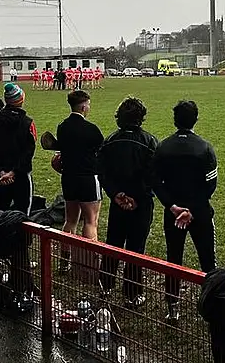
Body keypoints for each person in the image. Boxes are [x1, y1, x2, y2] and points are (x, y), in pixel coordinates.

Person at [152, 100, 218, 321]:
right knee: (207, 259)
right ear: (196, 119)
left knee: (173, 258)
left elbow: (156, 181)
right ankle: (211, 305)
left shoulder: (163, 147)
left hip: (173, 214)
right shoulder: (205, 147)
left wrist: (172, 206)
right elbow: (210, 185)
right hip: (199, 212)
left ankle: (173, 307)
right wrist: (192, 209)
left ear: (174, 120)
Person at [98, 96, 159, 307]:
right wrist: (137, 197)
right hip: (140, 205)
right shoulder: (150, 142)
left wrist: (116, 194)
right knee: (135, 247)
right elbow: (153, 175)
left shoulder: (110, 140)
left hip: (118, 203)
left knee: (113, 243)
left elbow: (102, 172)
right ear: (141, 118)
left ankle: (105, 285)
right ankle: (132, 293)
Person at [56, 90, 105, 268]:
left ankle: (64, 261)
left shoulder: (62, 126)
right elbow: (101, 151)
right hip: (88, 178)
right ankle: (89, 265)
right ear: (84, 106)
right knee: (91, 221)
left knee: (70, 220)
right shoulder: (91, 129)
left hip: (68, 177)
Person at [0, 83, 36, 214]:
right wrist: (14, 172)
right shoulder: (28, 123)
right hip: (21, 177)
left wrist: (0, 171)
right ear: (20, 100)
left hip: (0, 178)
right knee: (23, 217)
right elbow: (29, 152)